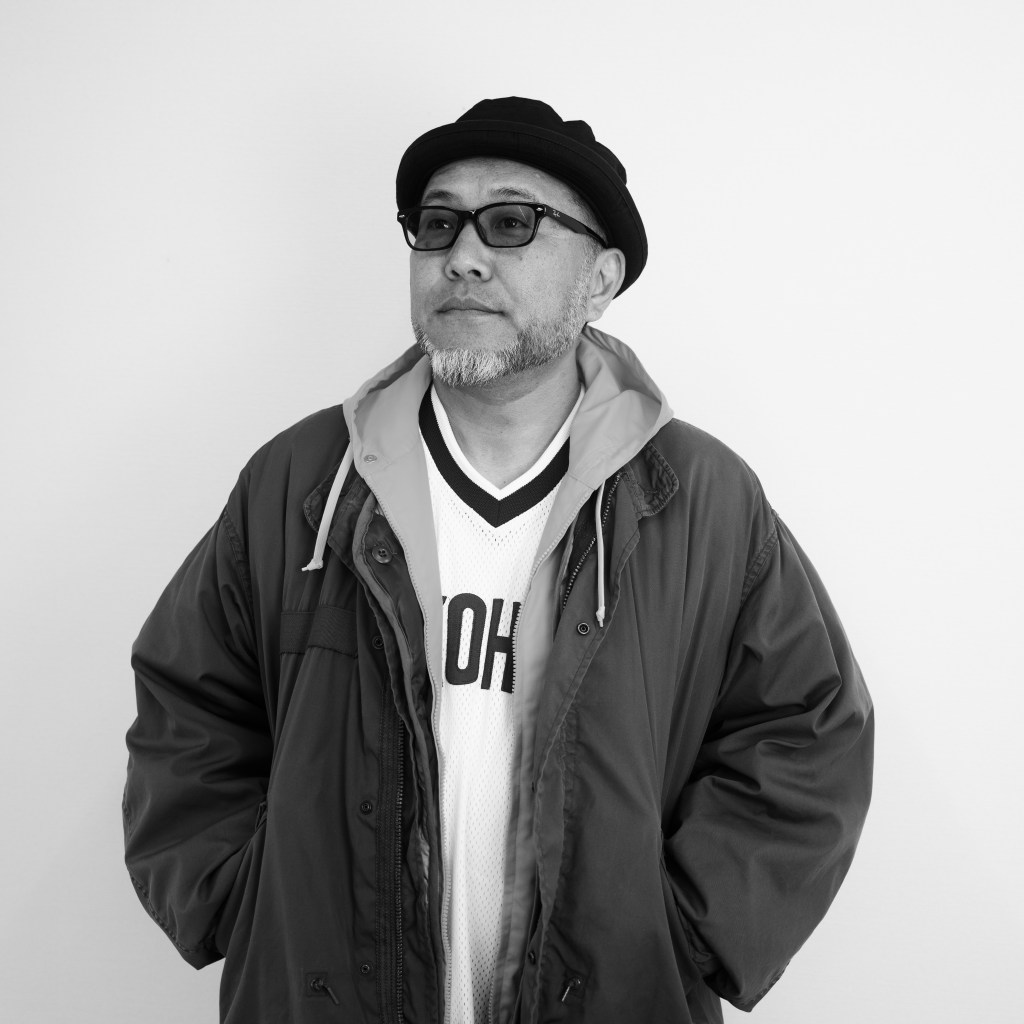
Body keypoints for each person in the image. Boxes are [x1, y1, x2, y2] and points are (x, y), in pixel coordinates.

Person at [123, 97, 874, 1024]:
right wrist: (246, 900)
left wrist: (683, 934)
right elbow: (188, 706)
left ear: (599, 278)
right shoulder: (304, 481)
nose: (463, 256)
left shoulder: (697, 497)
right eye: (437, 224)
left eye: (512, 222)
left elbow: (807, 729)